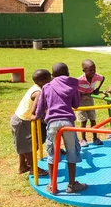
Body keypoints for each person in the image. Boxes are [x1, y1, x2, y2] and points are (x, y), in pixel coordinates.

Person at [34, 62, 87, 194]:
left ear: (52, 75)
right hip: (68, 123)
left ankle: (53, 186)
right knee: (72, 152)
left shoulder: (47, 87)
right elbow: (75, 105)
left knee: (52, 154)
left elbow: (40, 107)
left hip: (52, 123)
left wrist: (36, 116)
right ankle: (72, 184)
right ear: (68, 73)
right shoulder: (73, 85)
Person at [10, 69, 51, 176]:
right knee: (28, 147)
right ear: (43, 81)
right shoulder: (39, 92)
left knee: (24, 146)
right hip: (22, 121)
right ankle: (34, 168)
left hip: (20, 119)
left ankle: (22, 166)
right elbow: (36, 109)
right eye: (49, 78)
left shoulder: (36, 87)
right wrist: (37, 115)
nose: (51, 80)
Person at [77, 59, 105, 147]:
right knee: (83, 120)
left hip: (90, 99)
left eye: (94, 69)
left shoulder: (96, 76)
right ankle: (83, 139)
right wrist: (78, 94)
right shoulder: (79, 80)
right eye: (90, 70)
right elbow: (73, 87)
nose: (93, 72)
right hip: (81, 101)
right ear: (84, 71)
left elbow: (103, 78)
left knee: (93, 119)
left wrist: (97, 89)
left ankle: (95, 138)